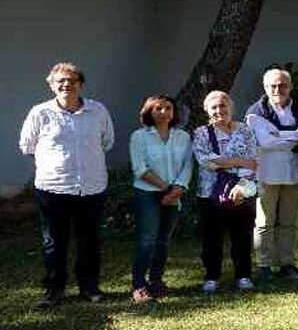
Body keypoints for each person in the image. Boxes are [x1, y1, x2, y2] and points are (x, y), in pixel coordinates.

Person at [19, 62, 115, 308]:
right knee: (54, 241)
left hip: (92, 187)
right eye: (60, 81)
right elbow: (27, 146)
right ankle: (54, 291)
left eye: (72, 81)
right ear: (52, 86)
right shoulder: (40, 113)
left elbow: (107, 141)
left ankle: (89, 287)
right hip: (53, 188)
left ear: (80, 85)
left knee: (89, 240)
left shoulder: (98, 111)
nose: (66, 85)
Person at [245, 69, 298, 282]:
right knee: (264, 222)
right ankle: (264, 265)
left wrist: (279, 136)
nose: (277, 90)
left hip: (295, 174)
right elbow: (265, 142)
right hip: (266, 173)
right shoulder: (255, 111)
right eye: (272, 86)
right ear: (265, 88)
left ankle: (287, 263)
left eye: (282, 85)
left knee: (289, 222)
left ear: (290, 87)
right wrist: (295, 135)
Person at [192, 91, 259, 294]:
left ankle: (244, 275)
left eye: (223, 106)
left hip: (243, 189)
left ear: (231, 108)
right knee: (211, 237)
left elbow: (254, 160)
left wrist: (242, 187)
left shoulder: (246, 131)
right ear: (207, 111)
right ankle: (212, 276)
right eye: (214, 107)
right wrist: (239, 161)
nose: (219, 110)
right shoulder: (201, 133)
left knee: (242, 236)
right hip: (210, 193)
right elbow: (206, 160)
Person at [129, 94, 192, 303]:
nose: (164, 112)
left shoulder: (182, 136)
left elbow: (187, 165)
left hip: (174, 192)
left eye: (168, 108)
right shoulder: (139, 136)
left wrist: (179, 188)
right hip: (147, 193)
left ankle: (156, 281)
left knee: (163, 241)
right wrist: (168, 189)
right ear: (149, 111)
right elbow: (140, 169)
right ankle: (139, 285)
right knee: (147, 240)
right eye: (158, 108)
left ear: (174, 113)